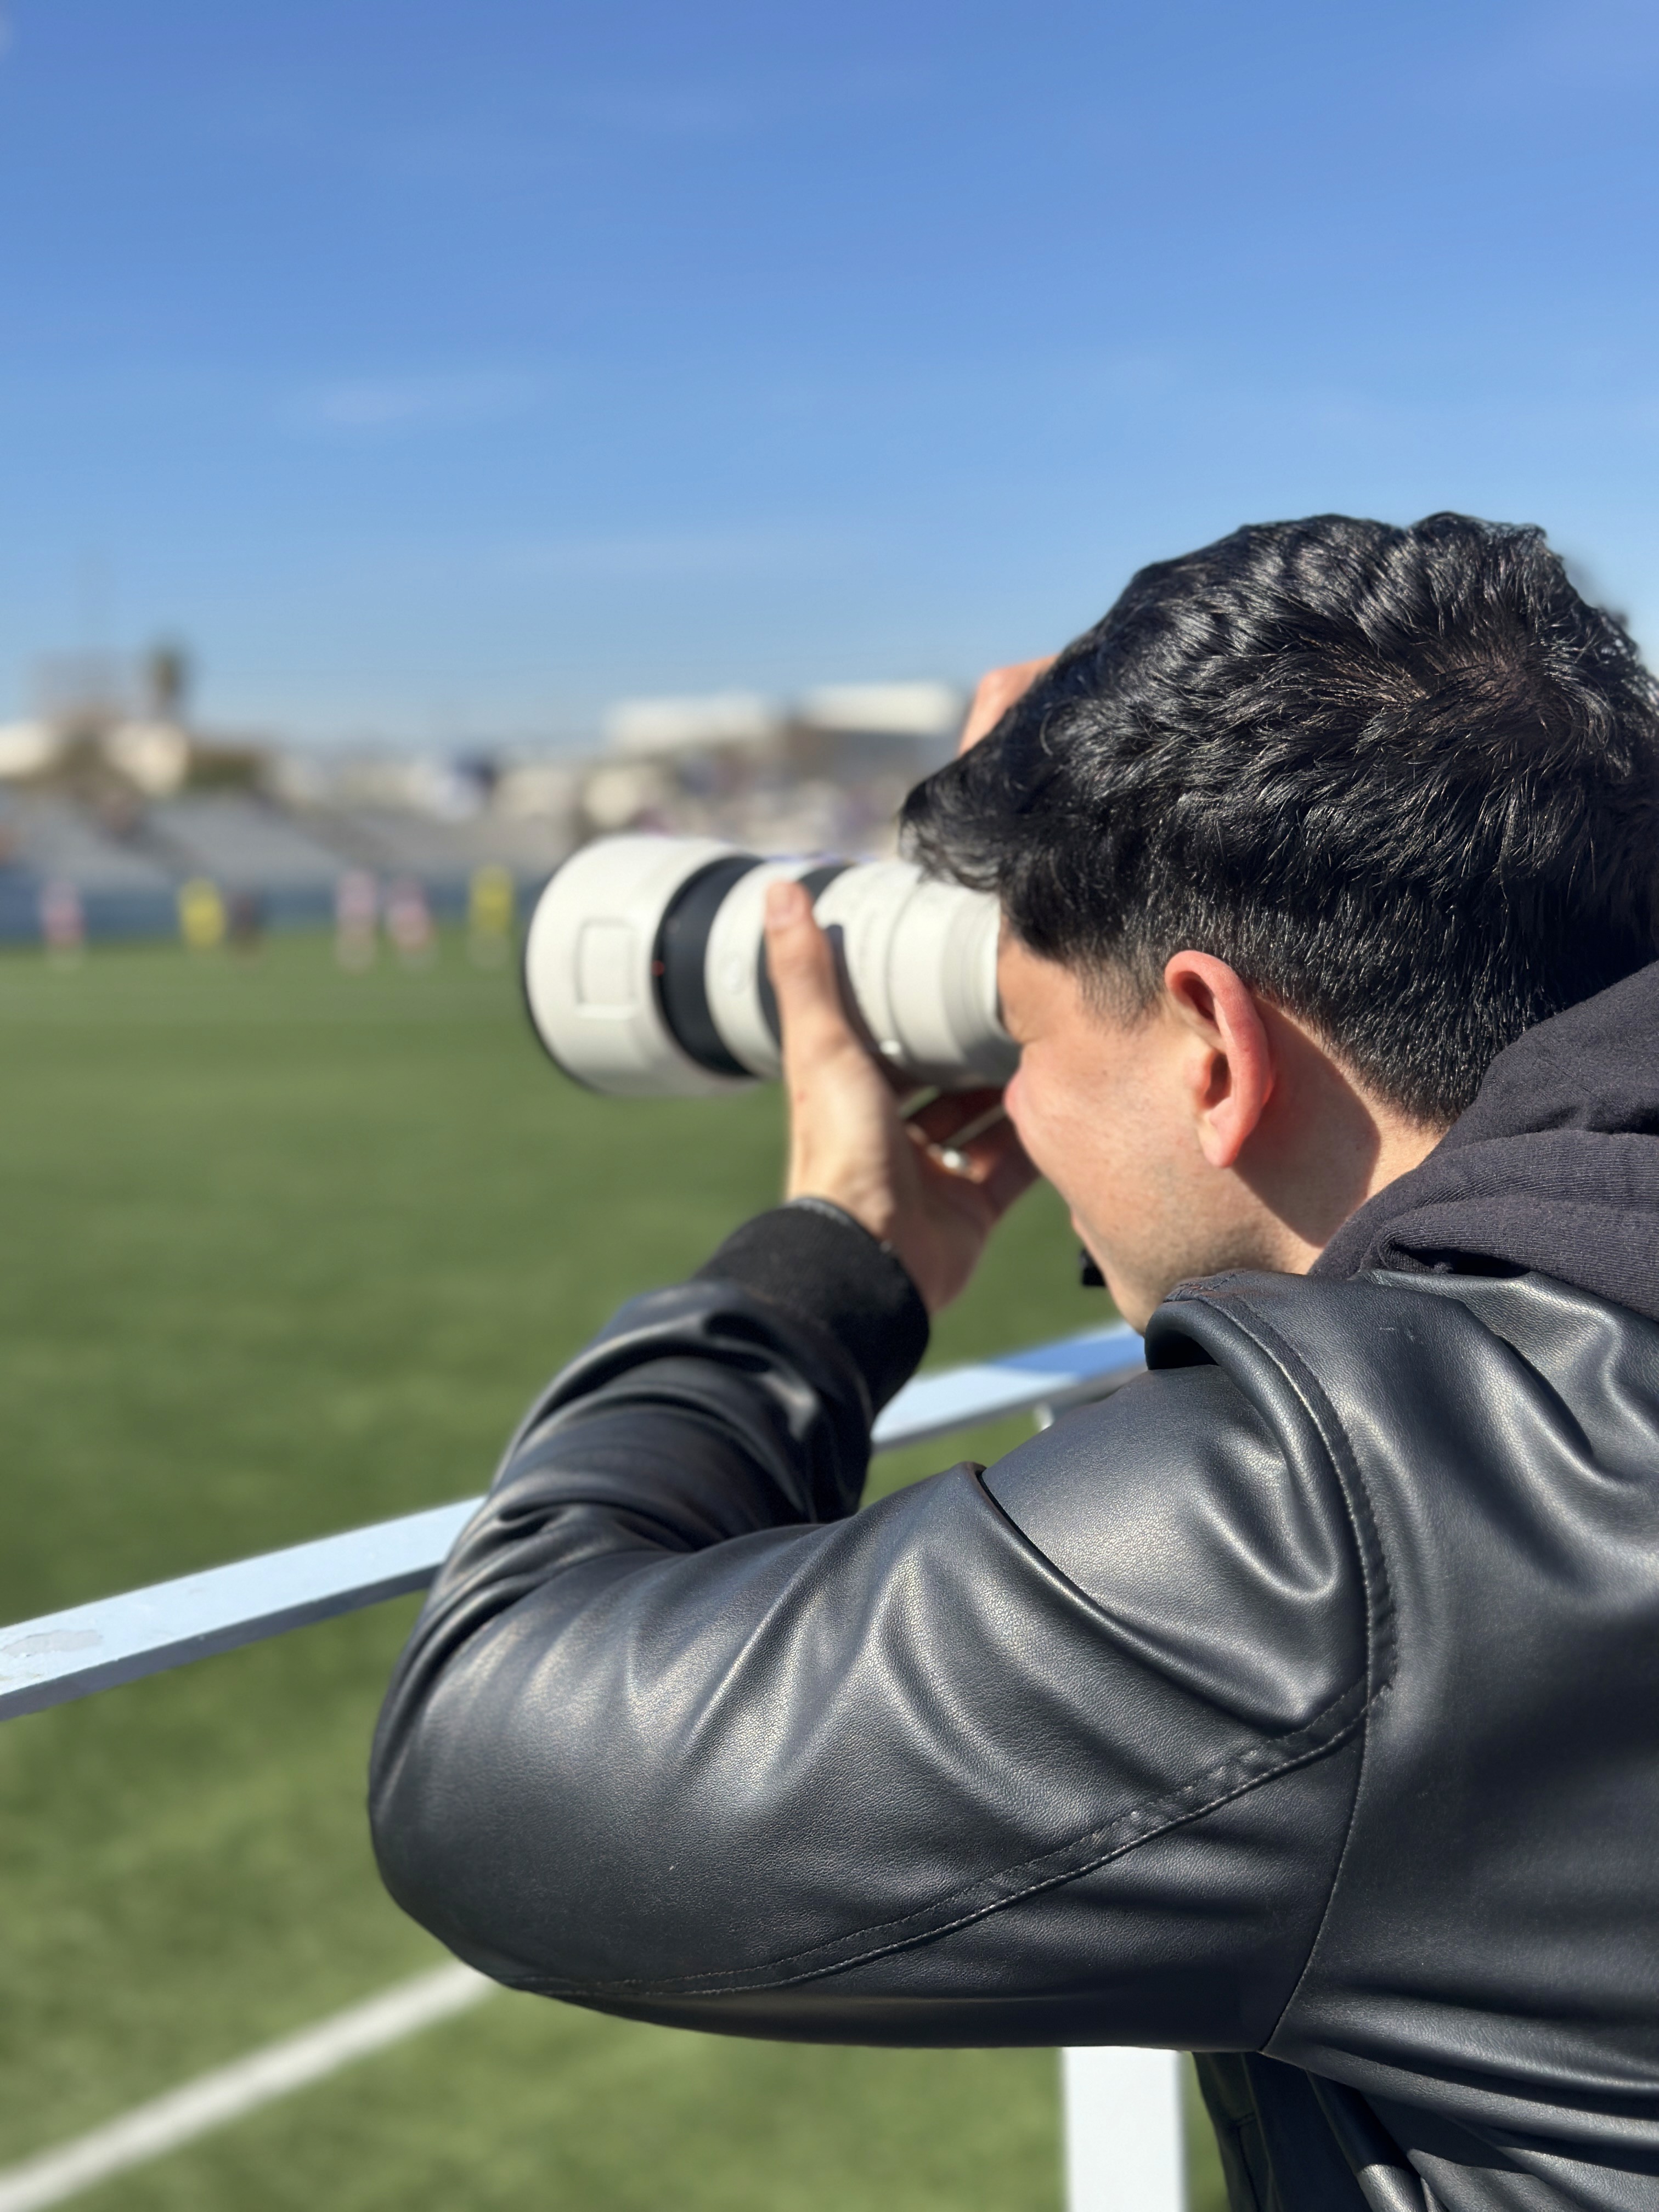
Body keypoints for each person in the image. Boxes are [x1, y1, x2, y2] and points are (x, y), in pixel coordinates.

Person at [369, 514, 1659, 2212]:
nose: (1022, 1114)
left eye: (1025, 1035)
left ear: (1213, 1044)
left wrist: (827, 1257)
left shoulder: (1369, 1551)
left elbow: (485, 1765)